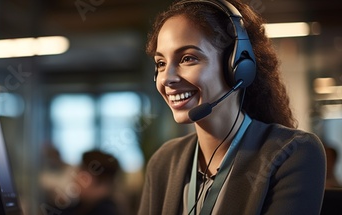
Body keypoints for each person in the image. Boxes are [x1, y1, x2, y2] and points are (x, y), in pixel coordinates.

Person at [138, 0, 326, 214]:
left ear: (238, 66)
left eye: (188, 58)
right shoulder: (164, 161)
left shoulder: (293, 152)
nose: (167, 79)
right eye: (161, 63)